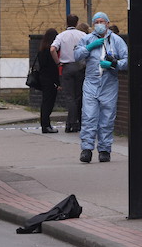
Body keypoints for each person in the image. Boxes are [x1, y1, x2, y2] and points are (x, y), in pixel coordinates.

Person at [72, 10, 128, 163]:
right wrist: (89, 48)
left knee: (107, 118)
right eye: (96, 22)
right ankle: (87, 149)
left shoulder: (116, 41)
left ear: (108, 24)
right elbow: (76, 56)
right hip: (91, 82)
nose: (99, 25)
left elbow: (127, 60)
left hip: (109, 83)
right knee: (89, 116)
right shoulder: (87, 39)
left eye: (102, 22)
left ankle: (104, 149)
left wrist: (114, 64)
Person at [50, 14, 86, 133]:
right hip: (80, 67)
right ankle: (78, 123)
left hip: (67, 67)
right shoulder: (83, 35)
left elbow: (52, 49)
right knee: (78, 96)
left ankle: (70, 123)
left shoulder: (61, 36)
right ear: (76, 23)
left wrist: (58, 62)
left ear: (67, 22)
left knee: (70, 97)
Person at [35, 28, 61, 133]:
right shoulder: (51, 51)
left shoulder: (41, 49)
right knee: (49, 103)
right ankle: (46, 125)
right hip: (50, 80)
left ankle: (44, 124)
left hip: (43, 78)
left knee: (45, 102)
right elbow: (53, 68)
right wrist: (58, 83)